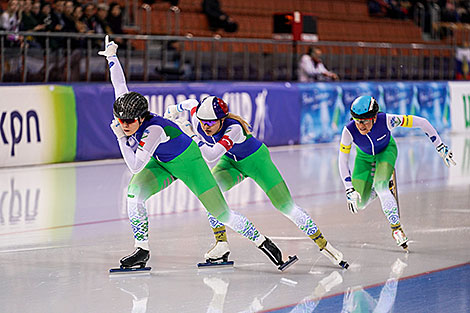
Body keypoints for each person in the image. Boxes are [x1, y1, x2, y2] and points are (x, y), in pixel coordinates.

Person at [98, 35, 297, 271]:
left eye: (129, 122)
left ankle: (267, 246)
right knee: (134, 195)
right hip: (162, 162)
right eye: (120, 121)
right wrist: (112, 56)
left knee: (221, 213)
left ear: (141, 117)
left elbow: (134, 166)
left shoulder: (153, 130)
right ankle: (142, 250)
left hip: (189, 161)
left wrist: (121, 137)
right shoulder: (126, 108)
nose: (124, 124)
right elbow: (119, 85)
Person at [164, 97, 349, 269]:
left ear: (222, 119)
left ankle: (325, 246)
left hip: (256, 161)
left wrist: (191, 135)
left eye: (211, 122)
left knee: (285, 206)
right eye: (203, 122)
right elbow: (191, 103)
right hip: (231, 162)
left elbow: (211, 156)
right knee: (211, 195)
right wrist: (174, 109)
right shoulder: (200, 119)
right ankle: (221, 244)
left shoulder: (234, 128)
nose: (206, 126)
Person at [338, 95, 456, 249]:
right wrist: (349, 189)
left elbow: (422, 122)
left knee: (381, 188)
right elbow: (342, 160)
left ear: (374, 118)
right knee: (359, 204)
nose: (360, 125)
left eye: (364, 120)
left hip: (386, 151)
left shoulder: (387, 120)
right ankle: (387, 186)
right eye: (356, 120)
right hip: (364, 158)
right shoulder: (348, 131)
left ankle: (396, 229)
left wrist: (440, 146)